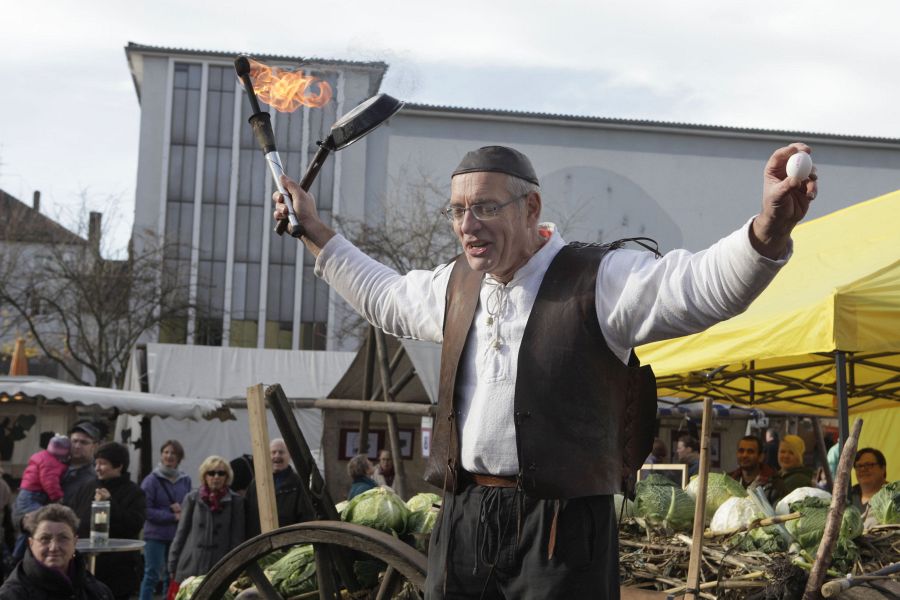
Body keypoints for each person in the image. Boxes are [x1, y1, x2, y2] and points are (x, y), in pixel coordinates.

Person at [272, 142, 816, 598]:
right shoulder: (454, 285)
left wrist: (769, 228)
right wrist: (313, 230)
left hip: (563, 528)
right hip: (464, 517)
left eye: (484, 207)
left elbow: (697, 287)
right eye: (457, 210)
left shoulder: (601, 279)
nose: (467, 225)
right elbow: (385, 297)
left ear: (530, 207)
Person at [70, 442, 146, 600]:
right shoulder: (87, 487)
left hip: (117, 572)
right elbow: (73, 516)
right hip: (84, 568)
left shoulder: (134, 492)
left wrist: (109, 503)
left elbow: (133, 525)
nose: (97, 468)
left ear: (119, 466)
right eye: (96, 463)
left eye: (103, 463)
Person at [0, 504, 113, 599]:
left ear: (74, 542)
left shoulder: (98, 592)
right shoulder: (12, 595)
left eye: (63, 538)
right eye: (45, 538)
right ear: (31, 543)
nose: (54, 547)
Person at [168, 456, 245, 583]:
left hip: (219, 568)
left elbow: (237, 538)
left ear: (227, 477)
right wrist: (172, 563)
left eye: (221, 473)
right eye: (211, 473)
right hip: (191, 566)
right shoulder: (192, 498)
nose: (216, 477)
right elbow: (181, 533)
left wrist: (234, 566)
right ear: (204, 475)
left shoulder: (236, 501)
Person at [138, 440, 191, 600]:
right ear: (161, 455)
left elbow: (190, 503)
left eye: (173, 453)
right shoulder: (151, 480)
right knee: (152, 574)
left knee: (172, 575)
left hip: (177, 535)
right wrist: (171, 515)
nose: (169, 456)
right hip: (155, 535)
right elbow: (145, 510)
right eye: (166, 452)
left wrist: (182, 509)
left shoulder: (185, 480)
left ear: (179, 457)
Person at [13, 435, 71, 560]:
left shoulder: (42, 456)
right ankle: (18, 556)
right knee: (37, 523)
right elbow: (49, 482)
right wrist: (58, 497)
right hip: (33, 495)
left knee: (32, 526)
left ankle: (19, 556)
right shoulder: (51, 462)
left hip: (28, 494)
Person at [245, 439, 313, 538]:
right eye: (273, 452)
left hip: (288, 541)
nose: (277, 456)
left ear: (289, 455)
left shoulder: (298, 484)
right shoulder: (256, 483)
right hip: (259, 541)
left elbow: (306, 516)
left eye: (281, 452)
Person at [62, 421, 101, 506]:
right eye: (74, 441)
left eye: (84, 442)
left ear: (95, 446)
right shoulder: (54, 466)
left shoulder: (99, 474)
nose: (77, 446)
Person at [772, 434, 815, 500]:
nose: (786, 456)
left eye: (791, 453)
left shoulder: (799, 480)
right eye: (782, 451)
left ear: (799, 456)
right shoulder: (779, 475)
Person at [849, 448, 888, 514]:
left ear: (883, 469)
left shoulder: (894, 496)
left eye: (869, 465)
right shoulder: (848, 496)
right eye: (859, 466)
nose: (863, 469)